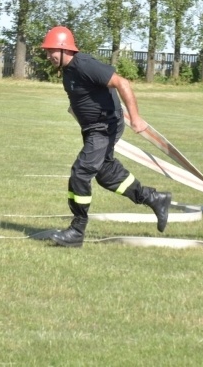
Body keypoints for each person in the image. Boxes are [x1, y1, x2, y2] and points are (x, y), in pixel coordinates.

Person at [41, 26, 171, 248]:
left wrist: (136, 118)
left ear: (64, 49)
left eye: (51, 50)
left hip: (104, 127)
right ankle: (154, 199)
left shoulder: (84, 64)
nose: (48, 56)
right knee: (106, 174)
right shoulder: (69, 69)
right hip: (93, 128)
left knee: (81, 172)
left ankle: (77, 230)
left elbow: (122, 83)